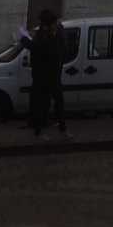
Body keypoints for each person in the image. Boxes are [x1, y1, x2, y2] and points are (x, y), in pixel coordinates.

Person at [29, 9, 70, 138]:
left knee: (57, 104)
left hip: (51, 76)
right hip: (46, 77)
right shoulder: (44, 38)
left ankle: (60, 129)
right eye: (55, 22)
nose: (57, 24)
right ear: (50, 24)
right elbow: (56, 52)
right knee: (43, 105)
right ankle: (39, 131)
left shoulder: (46, 36)